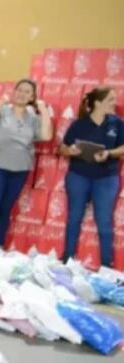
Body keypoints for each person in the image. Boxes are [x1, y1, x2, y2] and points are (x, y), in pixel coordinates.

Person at [0, 79, 52, 246]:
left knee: (5, 209)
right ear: (14, 92)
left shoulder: (34, 119)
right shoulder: (2, 111)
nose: (22, 94)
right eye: (19, 90)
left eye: (27, 92)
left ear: (32, 97)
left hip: (19, 169)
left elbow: (46, 136)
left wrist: (43, 110)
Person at [59, 86, 124, 268]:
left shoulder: (118, 124)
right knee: (74, 217)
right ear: (97, 103)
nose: (114, 103)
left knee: (104, 220)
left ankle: (106, 265)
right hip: (78, 176)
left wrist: (109, 153)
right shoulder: (78, 124)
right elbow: (63, 147)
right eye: (111, 100)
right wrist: (70, 151)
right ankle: (67, 258)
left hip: (106, 179)